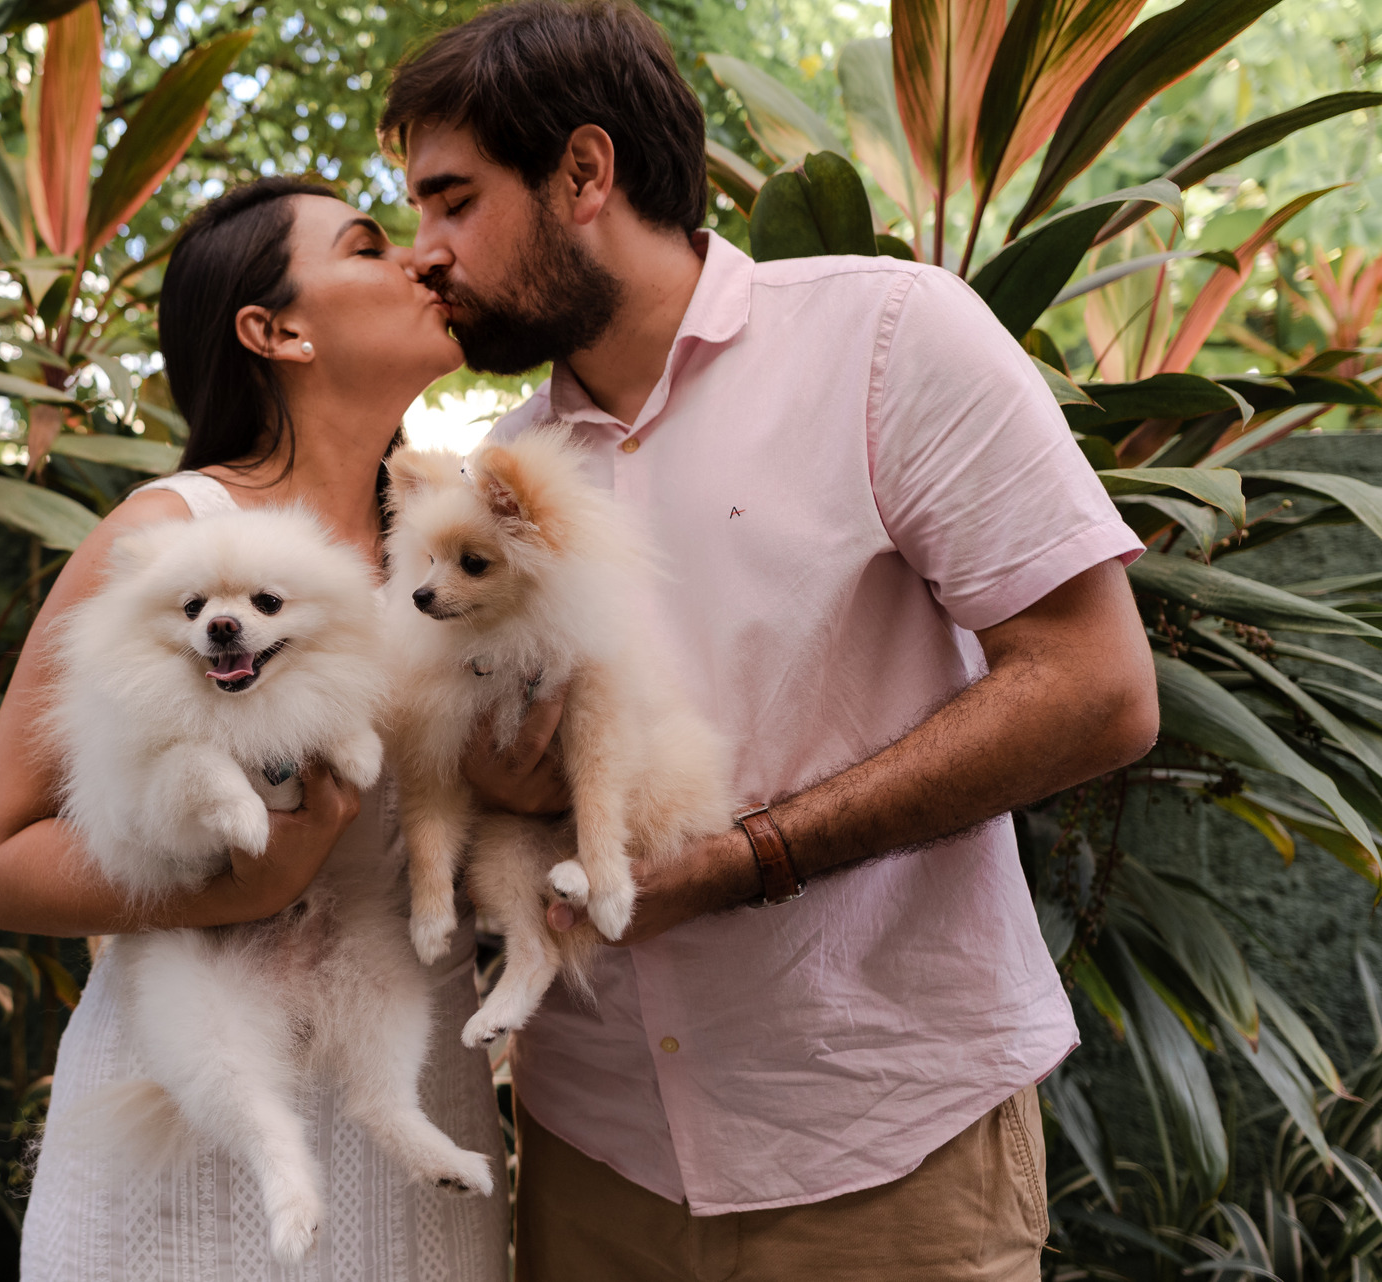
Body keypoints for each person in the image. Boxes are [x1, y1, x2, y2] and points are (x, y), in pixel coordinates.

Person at [377, 3, 1158, 1279]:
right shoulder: (500, 476)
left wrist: (752, 858)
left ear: (585, 173)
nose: (426, 253)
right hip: (596, 1155)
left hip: (884, 1144)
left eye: (452, 201)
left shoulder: (888, 339)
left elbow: (1097, 688)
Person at [0, 177, 510, 1282]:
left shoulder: (451, 543)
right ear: (277, 331)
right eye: (368, 245)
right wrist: (243, 886)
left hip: (411, 1112)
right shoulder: (170, 541)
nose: (421, 259)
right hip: (190, 1146)